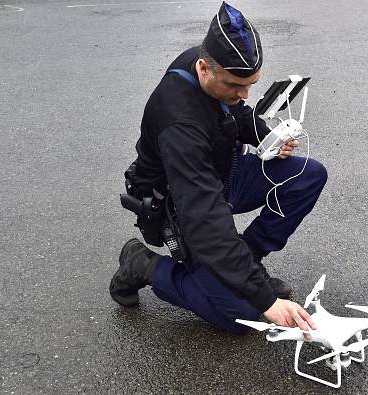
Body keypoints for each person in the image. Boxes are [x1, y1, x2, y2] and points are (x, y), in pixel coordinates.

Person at [109, 2, 327, 336]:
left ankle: (248, 259)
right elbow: (206, 219)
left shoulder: (214, 62)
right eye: (236, 86)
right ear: (203, 68)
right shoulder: (178, 123)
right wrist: (266, 300)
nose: (245, 94)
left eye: (251, 84)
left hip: (223, 172)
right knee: (241, 315)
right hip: (180, 202)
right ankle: (143, 265)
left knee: (308, 176)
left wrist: (265, 136)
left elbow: (234, 111)